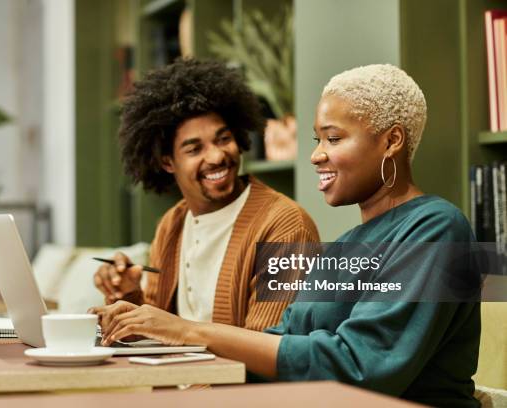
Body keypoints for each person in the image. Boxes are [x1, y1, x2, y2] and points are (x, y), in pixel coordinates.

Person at [93, 64, 481, 408]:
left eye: (333, 138)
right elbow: (283, 339)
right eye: (317, 140)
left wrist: (189, 332)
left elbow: (360, 365)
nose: (315, 156)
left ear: (392, 141)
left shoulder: (437, 229)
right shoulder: (346, 244)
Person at [92, 58, 319, 331]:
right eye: (194, 149)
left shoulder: (285, 226)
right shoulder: (171, 225)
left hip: (234, 375)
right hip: (177, 373)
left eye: (223, 139)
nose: (216, 156)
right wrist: (128, 294)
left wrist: (179, 332)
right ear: (167, 162)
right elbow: (155, 331)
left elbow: (269, 345)